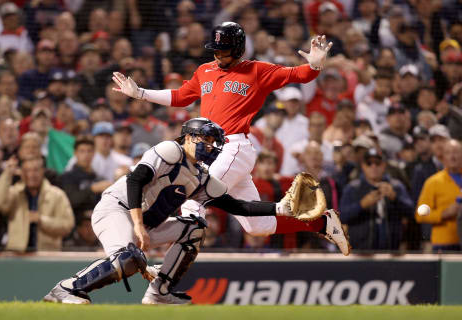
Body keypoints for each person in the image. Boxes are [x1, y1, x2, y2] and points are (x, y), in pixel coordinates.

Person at [112, 22, 350, 255]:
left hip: (233, 146)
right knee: (258, 226)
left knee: (195, 198)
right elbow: (181, 96)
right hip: (210, 151)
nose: (217, 55)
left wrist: (314, 66)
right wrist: (140, 94)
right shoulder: (204, 70)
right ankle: (323, 223)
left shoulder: (257, 70)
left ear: (238, 49)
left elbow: (296, 75)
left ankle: (170, 272)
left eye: (223, 50)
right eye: (214, 49)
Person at [43, 118, 331, 305]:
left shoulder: (201, 176)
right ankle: (67, 288)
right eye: (205, 140)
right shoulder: (170, 150)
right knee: (128, 259)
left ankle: (160, 293)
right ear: (189, 137)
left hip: (145, 223)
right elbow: (136, 179)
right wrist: (138, 226)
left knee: (195, 227)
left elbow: (238, 206)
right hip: (116, 210)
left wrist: (282, 208)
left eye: (213, 143)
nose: (209, 147)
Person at [416, 139, 462, 252]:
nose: (452, 156)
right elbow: (420, 213)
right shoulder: (433, 182)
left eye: (456, 152)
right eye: (448, 152)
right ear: (442, 157)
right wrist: (443, 213)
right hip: (444, 243)